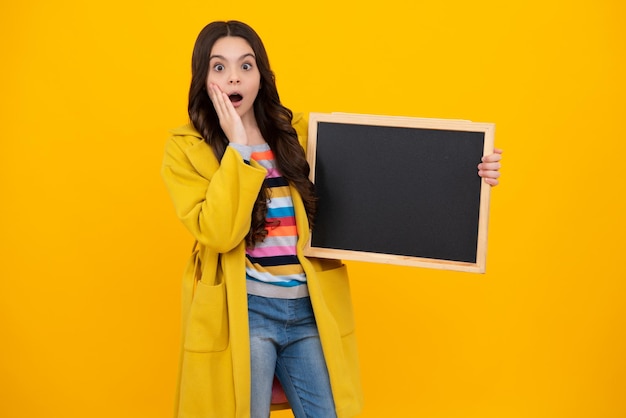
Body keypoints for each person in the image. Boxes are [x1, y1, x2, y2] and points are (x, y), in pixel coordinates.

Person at [161, 20, 503, 418]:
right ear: (202, 76)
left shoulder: (301, 134)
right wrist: (237, 147)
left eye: (246, 65)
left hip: (308, 309)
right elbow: (219, 233)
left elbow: (386, 178)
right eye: (219, 67)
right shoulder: (186, 149)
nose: (233, 77)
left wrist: (468, 174)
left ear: (261, 75)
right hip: (246, 312)